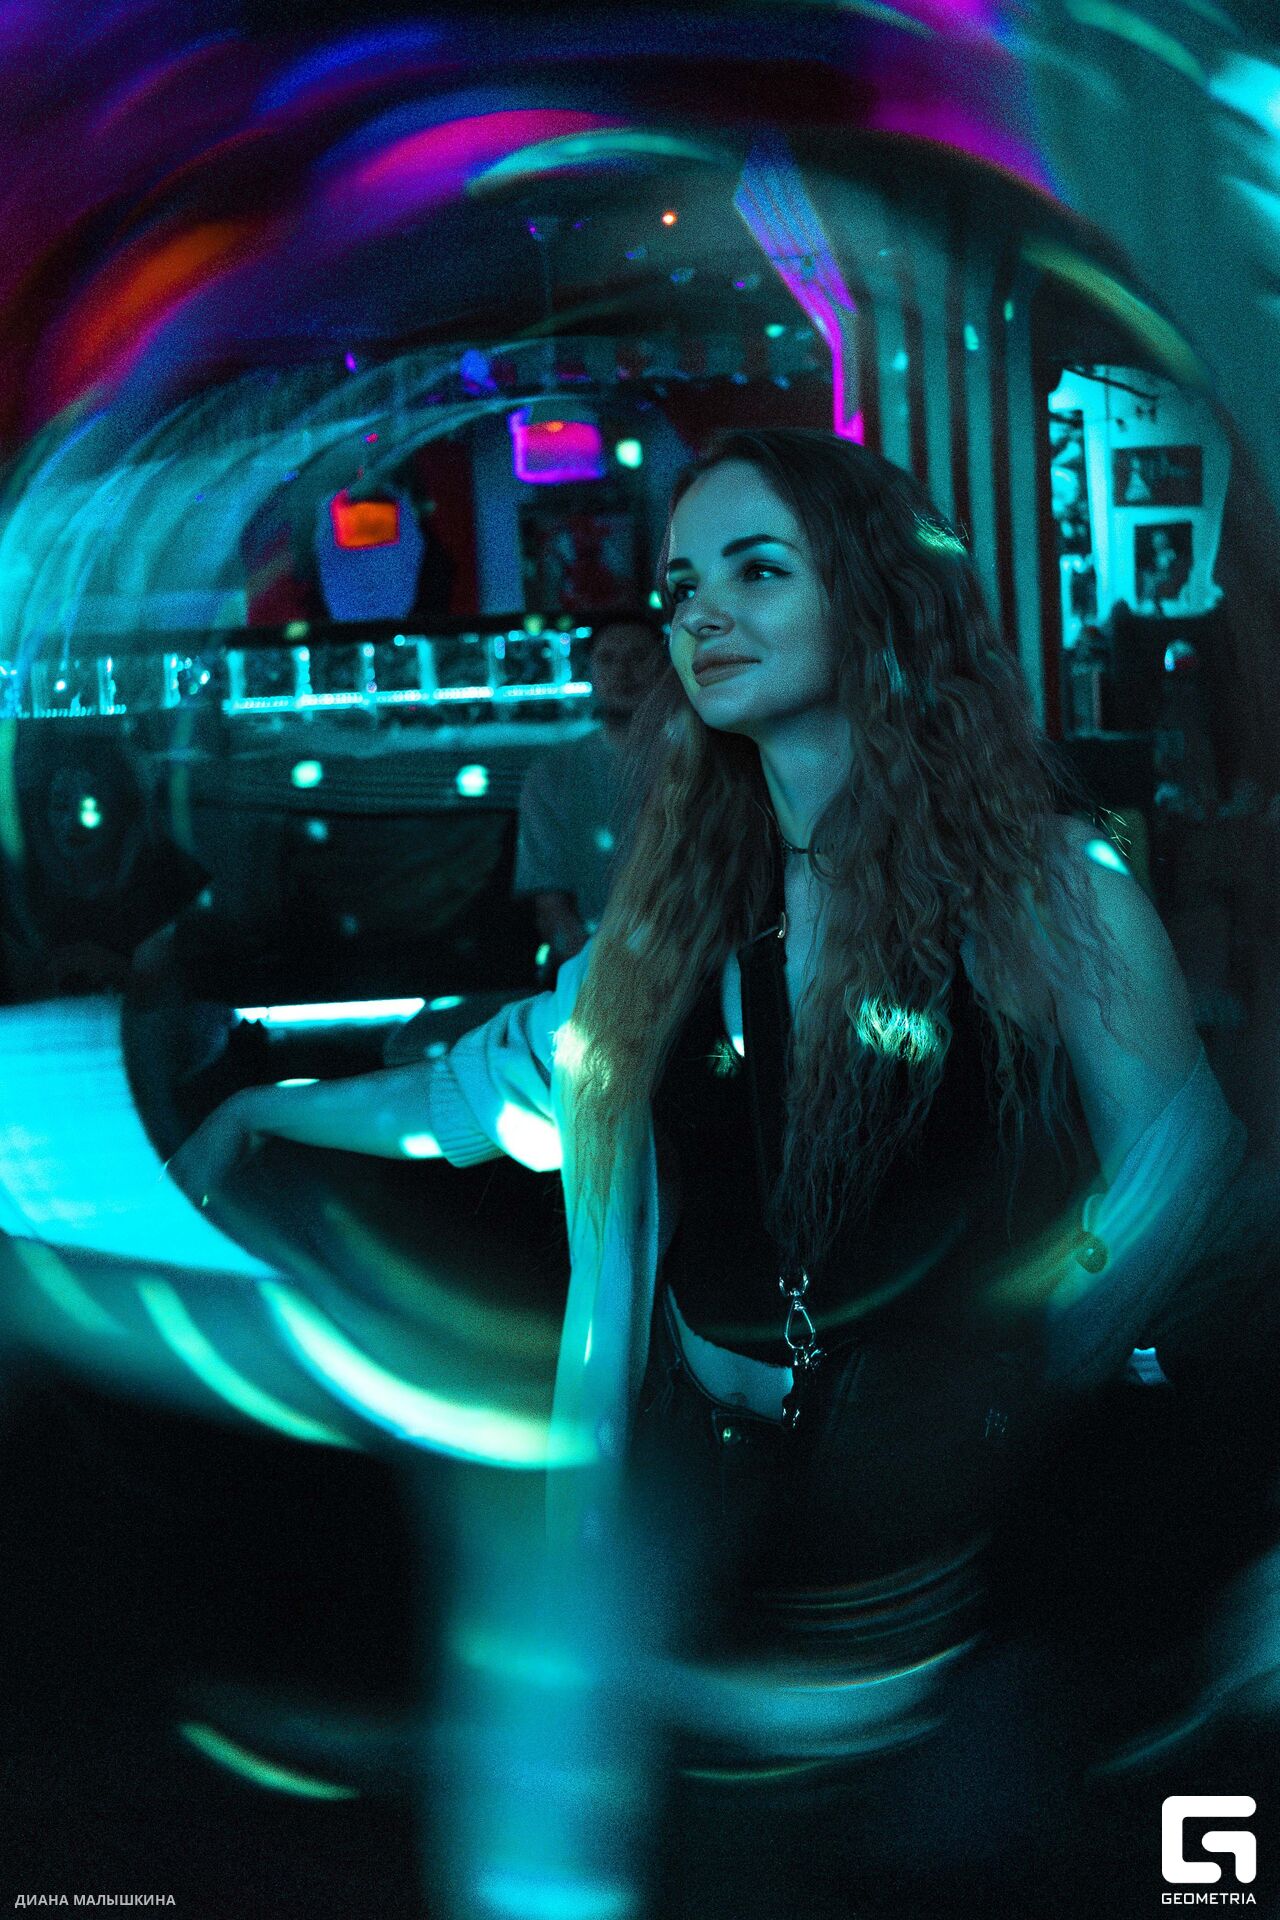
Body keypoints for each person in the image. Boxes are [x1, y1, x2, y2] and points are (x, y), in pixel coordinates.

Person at [170, 428, 1245, 1897]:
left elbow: (1183, 1171)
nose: (702, 616)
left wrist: (1003, 1357)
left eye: (757, 570)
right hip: (717, 1501)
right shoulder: (676, 916)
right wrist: (265, 1110)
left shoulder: (1051, 888)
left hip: (961, 1533)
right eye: (681, 587)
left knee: (961, 1859)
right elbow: (488, 1093)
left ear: (872, 597)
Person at [512, 612, 666, 967]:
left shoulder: (705, 766)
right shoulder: (552, 775)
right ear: (591, 671)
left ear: (665, 666)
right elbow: (551, 903)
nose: (622, 672)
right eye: (608, 659)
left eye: (638, 657)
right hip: (597, 969)